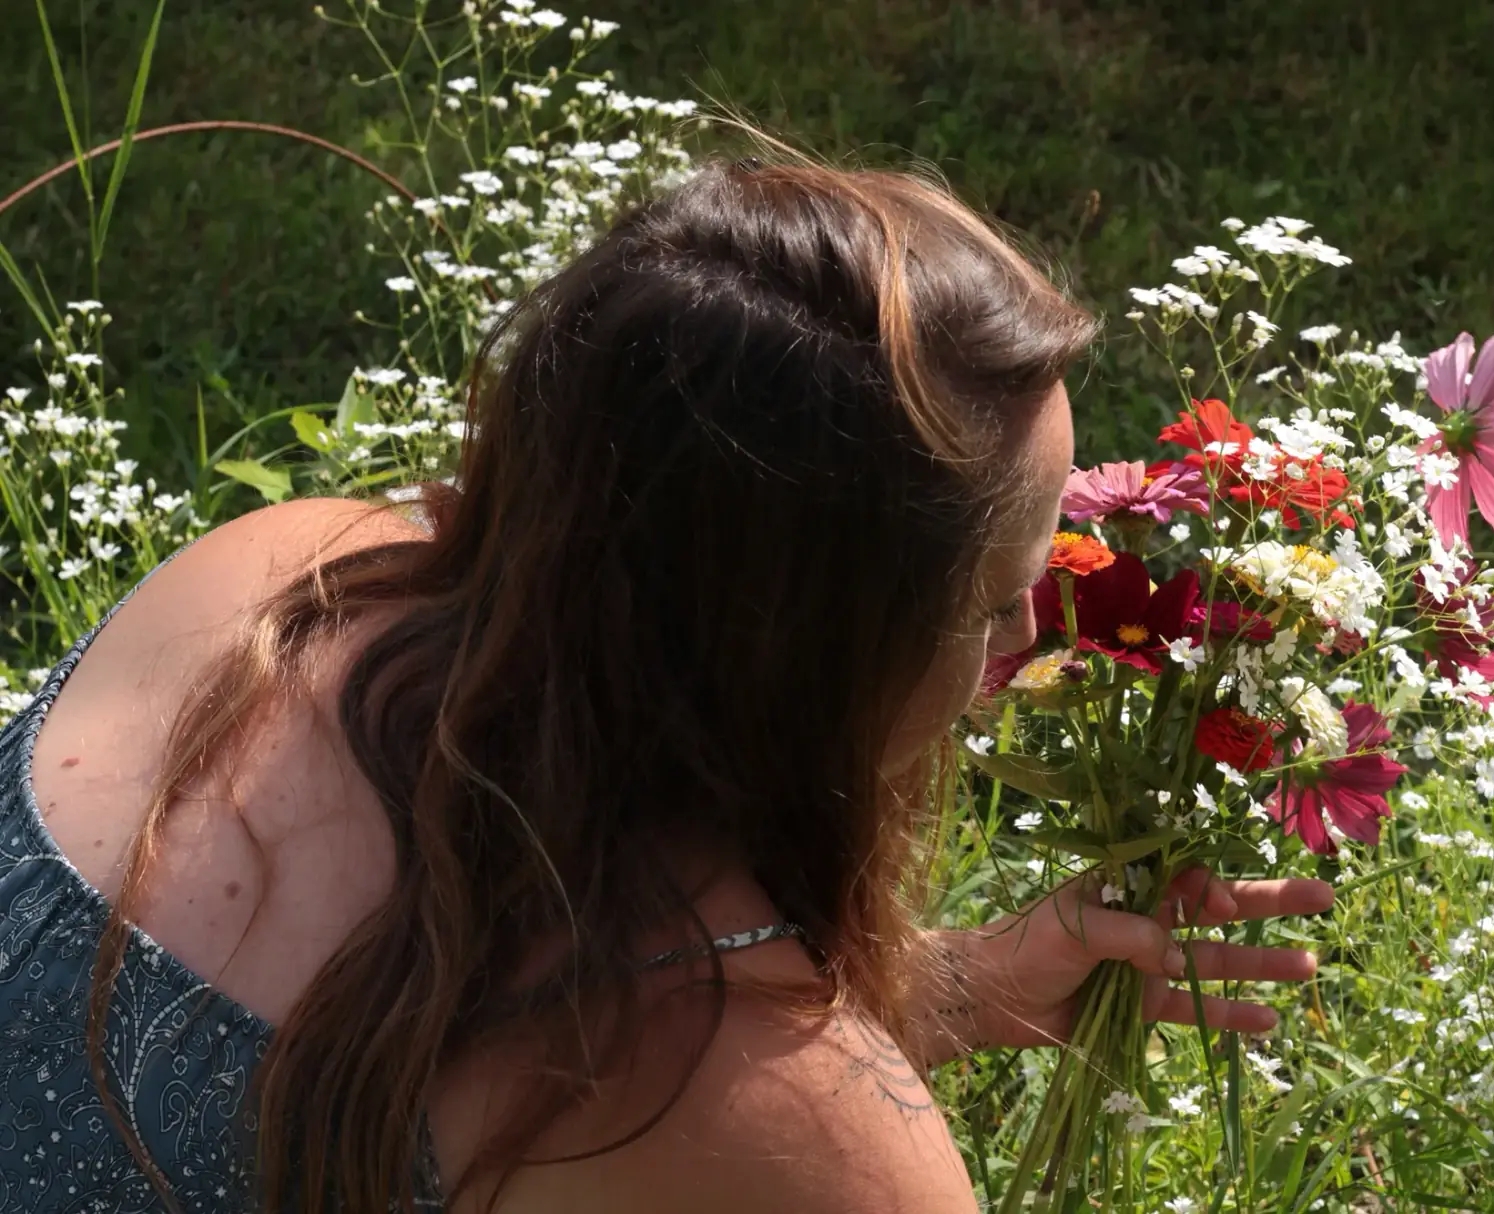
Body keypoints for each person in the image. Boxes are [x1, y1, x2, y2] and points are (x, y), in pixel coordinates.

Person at [0, 154, 1333, 1213]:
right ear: (804, 653)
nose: (1033, 639)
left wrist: (953, 990)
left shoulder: (273, 579)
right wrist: (824, 1084)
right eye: (994, 605)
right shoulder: (726, 1082)